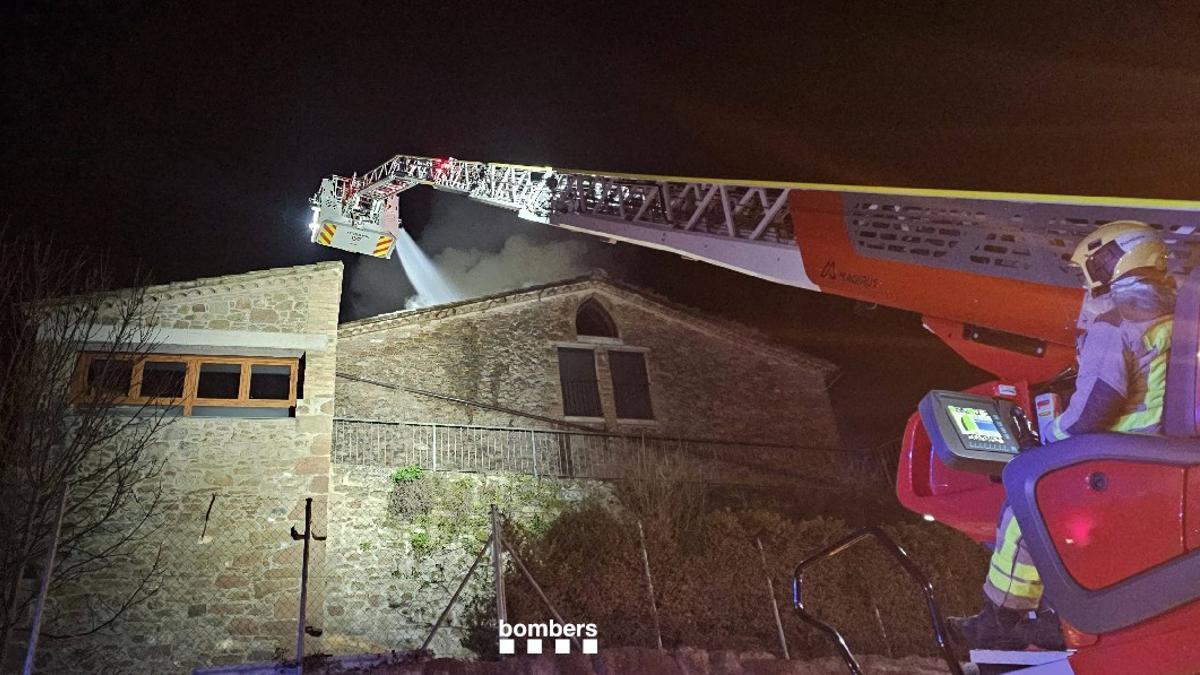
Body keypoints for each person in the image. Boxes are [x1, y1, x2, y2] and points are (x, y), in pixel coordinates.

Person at [949, 220, 1176, 651]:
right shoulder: (1175, 308)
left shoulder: (1115, 318)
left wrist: (1048, 435)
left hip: (1124, 452)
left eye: (1093, 264)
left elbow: (1095, 408)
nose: (1088, 276)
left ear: (1113, 260)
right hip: (1161, 450)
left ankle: (1004, 619)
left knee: (1027, 502)